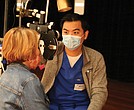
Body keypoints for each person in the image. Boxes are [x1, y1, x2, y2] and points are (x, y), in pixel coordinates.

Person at [41, 13, 108, 110]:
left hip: (81, 106)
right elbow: (32, 57)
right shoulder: (52, 50)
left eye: (75, 32)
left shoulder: (95, 58)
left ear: (85, 35)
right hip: (53, 105)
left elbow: (99, 91)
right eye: (66, 32)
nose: (70, 36)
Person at [0, 27, 49, 110]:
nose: (39, 52)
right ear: (29, 51)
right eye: (37, 47)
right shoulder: (29, 81)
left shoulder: (6, 74)